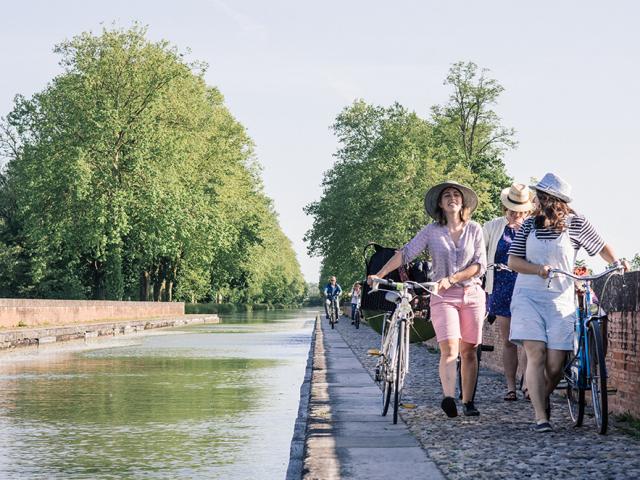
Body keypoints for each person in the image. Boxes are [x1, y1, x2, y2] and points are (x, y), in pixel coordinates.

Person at [507, 172, 629, 433]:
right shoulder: (530, 225)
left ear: (553, 199)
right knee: (536, 354)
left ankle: (542, 395)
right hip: (528, 296)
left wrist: (616, 263)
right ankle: (541, 417)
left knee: (555, 364)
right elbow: (513, 262)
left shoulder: (577, 223)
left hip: (560, 300)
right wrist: (537, 268)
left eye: (542, 196)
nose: (539, 200)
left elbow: (600, 246)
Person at [368, 180, 487, 417]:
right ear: (441, 205)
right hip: (442, 296)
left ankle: (468, 401)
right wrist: (379, 274)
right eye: (447, 196)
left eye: (456, 195)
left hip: (472, 295)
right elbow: (406, 253)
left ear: (462, 202)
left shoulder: (474, 229)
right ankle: (449, 397)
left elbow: (479, 265)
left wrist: (453, 278)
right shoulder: (432, 231)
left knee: (470, 350)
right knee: (450, 348)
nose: (452, 198)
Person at [483, 183, 533, 401]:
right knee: (509, 341)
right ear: (505, 208)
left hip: (526, 287)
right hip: (501, 286)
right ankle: (511, 386)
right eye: (512, 209)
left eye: (520, 210)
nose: (515, 214)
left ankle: (528, 384)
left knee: (529, 341)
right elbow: (478, 252)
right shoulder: (493, 227)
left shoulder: (532, 229)